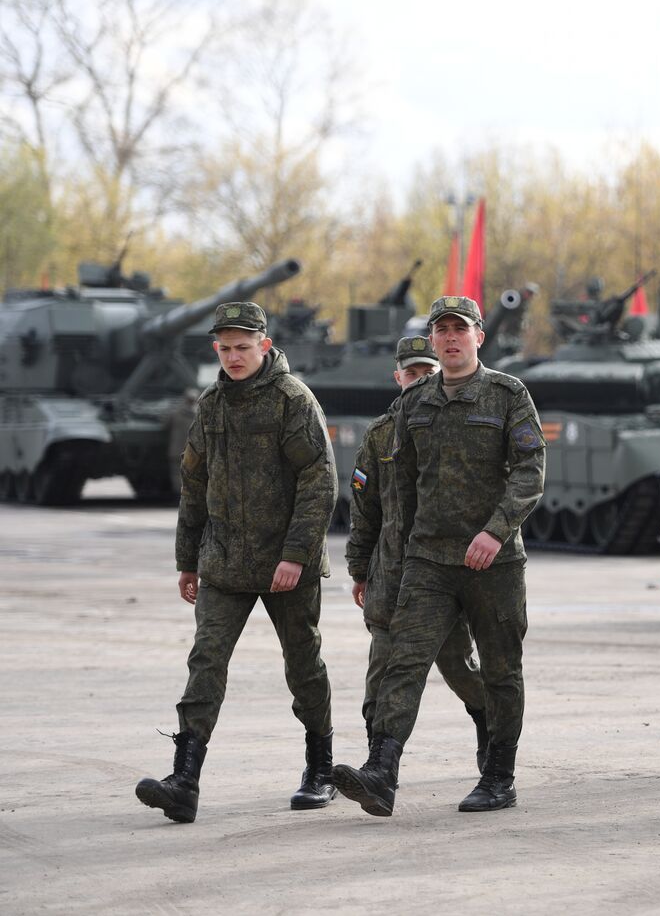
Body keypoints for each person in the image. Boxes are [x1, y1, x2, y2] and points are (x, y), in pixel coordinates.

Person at [334, 295, 545, 817]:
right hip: (429, 560)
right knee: (403, 662)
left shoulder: (507, 394)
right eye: (443, 330)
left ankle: (498, 776)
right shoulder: (415, 403)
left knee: (501, 670)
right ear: (433, 339)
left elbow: (529, 471)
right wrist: (394, 560)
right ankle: (381, 772)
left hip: (493, 563)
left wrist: (496, 532)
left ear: (479, 337)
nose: (451, 338)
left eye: (460, 329)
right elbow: (401, 488)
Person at [136, 301, 338, 823]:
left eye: (243, 347)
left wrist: (296, 555)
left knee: (303, 665)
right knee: (206, 660)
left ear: (264, 346)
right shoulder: (211, 404)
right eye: (225, 348)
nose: (234, 357)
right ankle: (184, 781)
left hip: (285, 565)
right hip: (223, 562)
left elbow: (320, 480)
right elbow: (194, 483)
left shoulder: (293, 399)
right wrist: (187, 559)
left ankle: (320, 769)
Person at [344, 335, 491, 771]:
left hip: (443, 573)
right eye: (412, 373)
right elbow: (365, 508)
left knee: (459, 667)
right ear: (398, 378)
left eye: (428, 372)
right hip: (391, 576)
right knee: (382, 673)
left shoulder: (456, 426)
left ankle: (488, 722)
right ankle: (377, 765)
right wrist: (359, 569)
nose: (420, 380)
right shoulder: (380, 434)